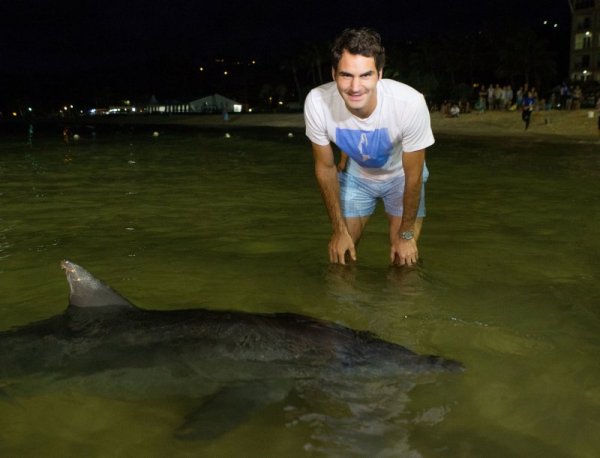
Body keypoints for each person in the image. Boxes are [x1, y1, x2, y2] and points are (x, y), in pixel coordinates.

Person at [304, 27, 434, 267]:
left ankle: (401, 303)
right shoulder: (317, 102)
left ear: (379, 74)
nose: (355, 87)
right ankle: (344, 306)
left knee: (404, 261)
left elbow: (414, 175)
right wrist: (338, 230)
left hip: (401, 178)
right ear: (333, 74)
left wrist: (406, 235)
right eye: (346, 75)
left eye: (365, 75)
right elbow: (325, 168)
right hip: (357, 178)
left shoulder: (410, 103)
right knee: (340, 258)